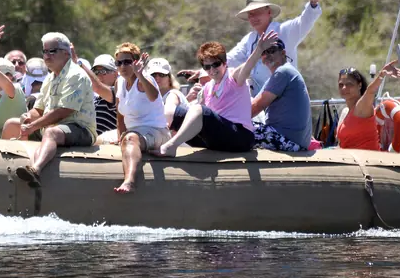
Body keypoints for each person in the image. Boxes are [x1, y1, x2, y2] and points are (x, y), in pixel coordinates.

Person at [153, 32, 279, 157]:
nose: (212, 70)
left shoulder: (233, 77)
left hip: (240, 137)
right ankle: (151, 141)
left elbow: (247, 66)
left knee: (199, 110)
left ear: (225, 63)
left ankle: (171, 146)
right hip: (218, 138)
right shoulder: (208, 88)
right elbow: (197, 117)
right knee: (175, 114)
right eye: (207, 67)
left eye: (216, 64)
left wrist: (259, 49)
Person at [2, 33, 96, 187]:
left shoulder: (76, 75)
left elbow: (64, 111)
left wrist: (33, 126)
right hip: (52, 126)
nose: (47, 55)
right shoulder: (50, 78)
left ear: (66, 53)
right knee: (12, 124)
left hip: (80, 129)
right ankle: (4, 172)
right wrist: (27, 118)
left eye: (52, 51)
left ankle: (35, 170)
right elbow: (38, 109)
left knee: (51, 133)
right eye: (44, 51)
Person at [227, 0, 324, 96]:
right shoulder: (249, 39)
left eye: (257, 12)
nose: (253, 17)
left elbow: (304, 22)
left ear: (268, 12)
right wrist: (204, 71)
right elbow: (229, 59)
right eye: (250, 14)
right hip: (259, 103)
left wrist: (313, 4)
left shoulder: (283, 31)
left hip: (283, 100)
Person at [111, 43, 170, 194]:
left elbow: (153, 96)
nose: (122, 66)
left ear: (136, 62)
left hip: (156, 132)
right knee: (115, 138)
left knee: (130, 139)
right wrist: (120, 137)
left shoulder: (145, 80)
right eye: (119, 63)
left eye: (127, 62)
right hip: (132, 133)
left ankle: (129, 182)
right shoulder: (119, 82)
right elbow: (120, 114)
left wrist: (140, 75)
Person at [250, 39, 312, 151]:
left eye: (271, 50)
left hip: (288, 140)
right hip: (291, 139)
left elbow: (255, 107)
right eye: (263, 52)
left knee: (237, 131)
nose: (267, 55)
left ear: (283, 53)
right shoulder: (280, 74)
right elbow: (253, 103)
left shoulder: (283, 72)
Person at [336, 62, 400, 150]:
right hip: (350, 159)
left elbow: (370, 91)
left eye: (349, 84)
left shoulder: (361, 107)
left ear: (359, 85)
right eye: (341, 85)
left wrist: (381, 75)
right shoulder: (346, 112)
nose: (344, 88)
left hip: (367, 161)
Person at [146, 57, 187, 129]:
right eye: (153, 75)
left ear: (169, 77)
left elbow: (168, 113)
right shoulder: (148, 97)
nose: (157, 78)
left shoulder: (173, 94)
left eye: (162, 74)